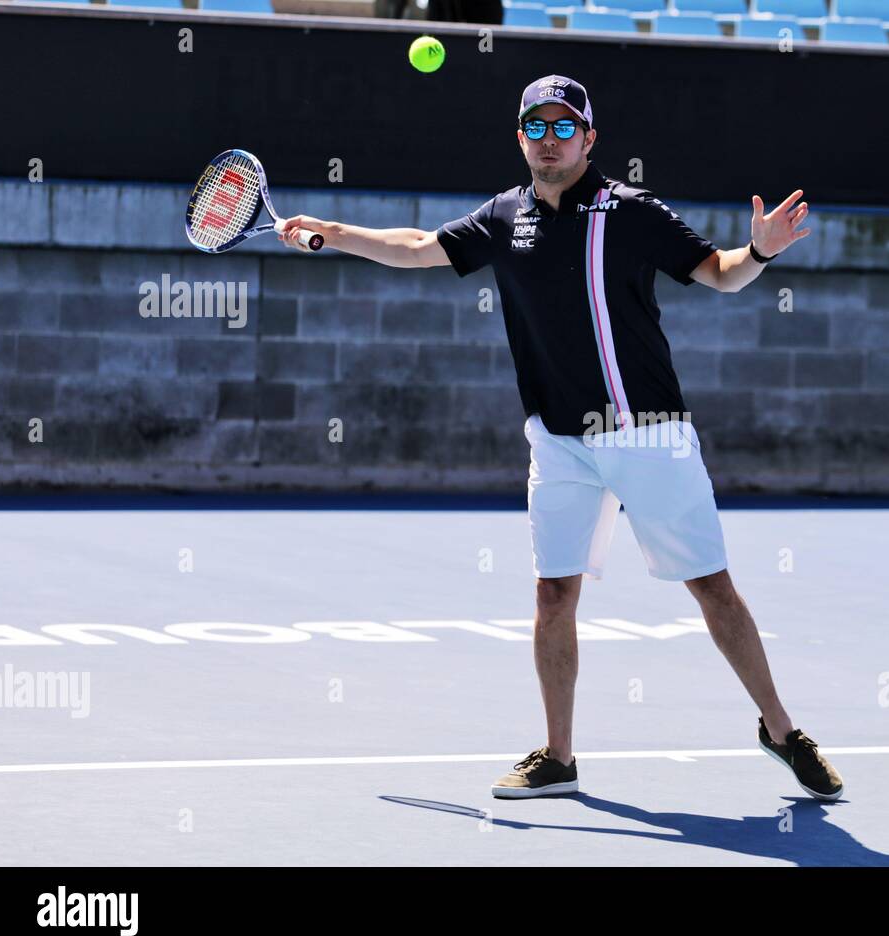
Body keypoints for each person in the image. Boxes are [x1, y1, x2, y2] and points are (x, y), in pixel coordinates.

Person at [278, 74, 843, 802]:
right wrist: (334, 232)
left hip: (650, 434)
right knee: (553, 596)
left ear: (589, 138)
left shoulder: (633, 211)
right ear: (521, 138)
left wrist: (758, 251)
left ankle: (781, 730)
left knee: (713, 589)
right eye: (536, 128)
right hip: (559, 441)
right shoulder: (502, 216)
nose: (550, 139)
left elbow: (720, 275)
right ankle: (559, 756)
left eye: (564, 126)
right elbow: (418, 246)